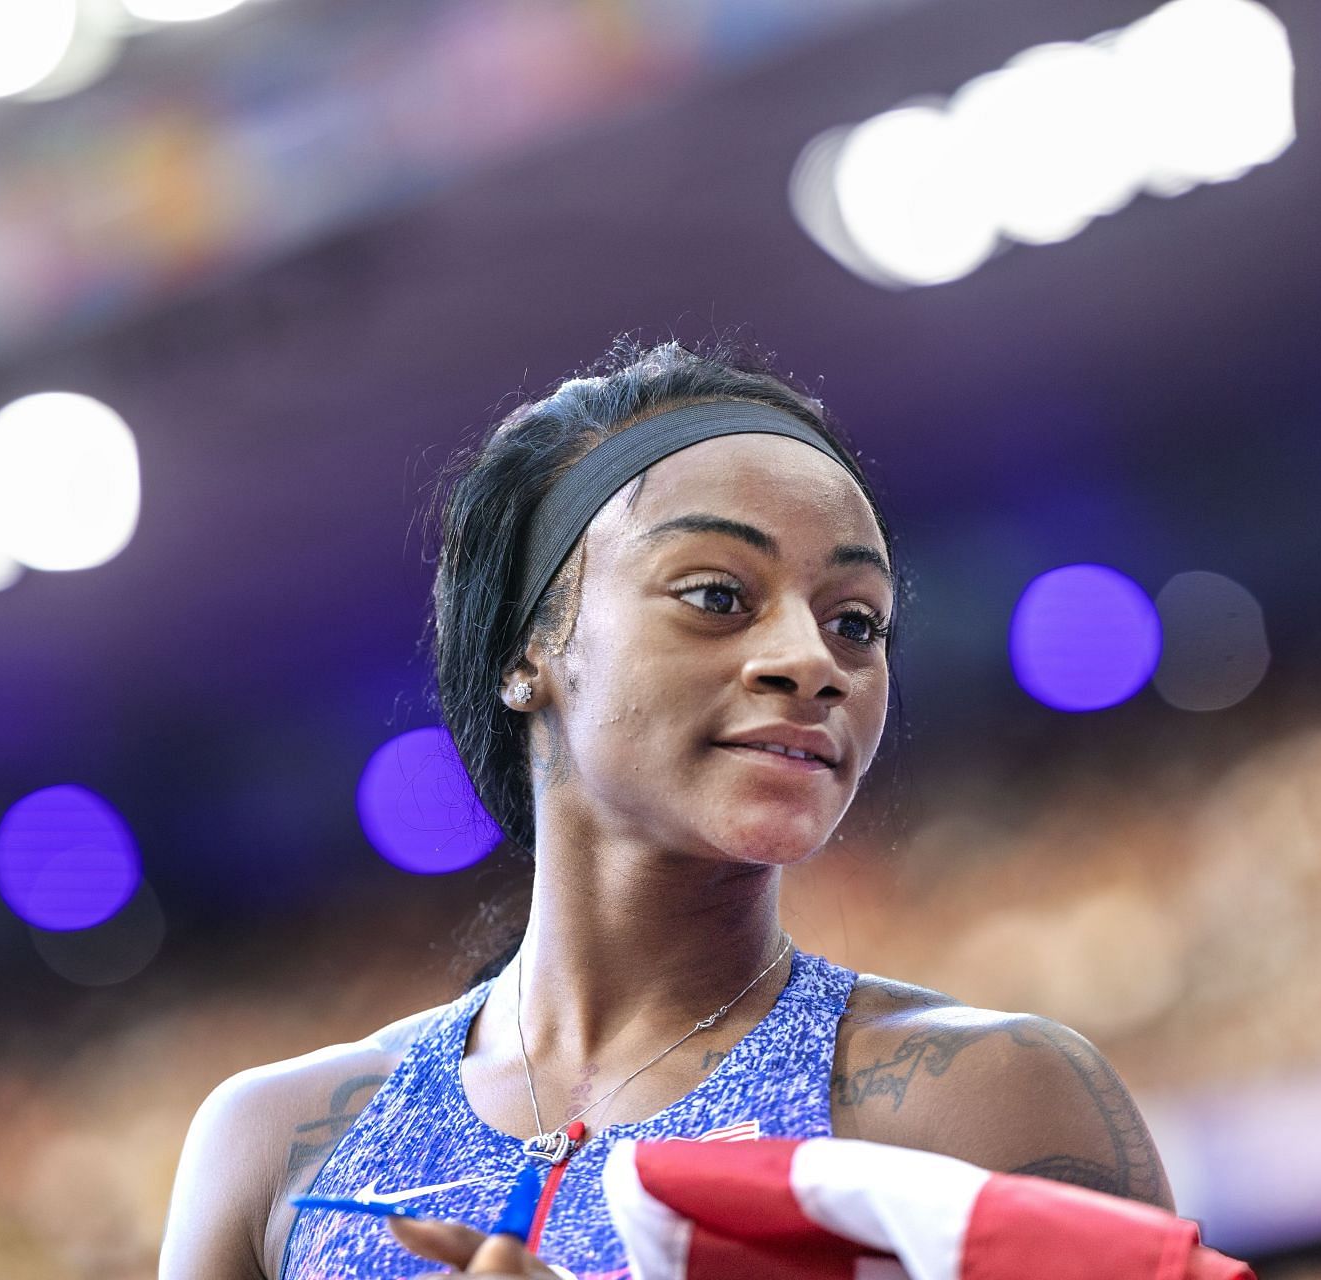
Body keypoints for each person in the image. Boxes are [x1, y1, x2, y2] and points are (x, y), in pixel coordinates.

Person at [159, 337, 1173, 1280]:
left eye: (855, 620)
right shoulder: (276, 1144)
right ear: (530, 647)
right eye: (718, 595)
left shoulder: (987, 1100)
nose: (815, 662)